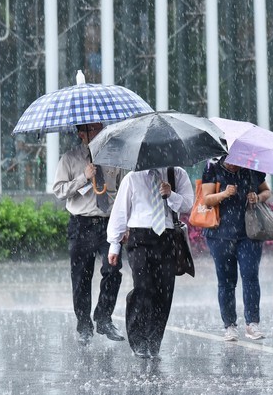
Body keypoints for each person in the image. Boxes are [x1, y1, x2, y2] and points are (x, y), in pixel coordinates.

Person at [107, 167, 193, 359]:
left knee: (164, 293)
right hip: (140, 238)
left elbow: (188, 204)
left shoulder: (177, 174)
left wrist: (171, 195)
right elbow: (120, 211)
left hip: (167, 237)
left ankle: (154, 342)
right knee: (143, 288)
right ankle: (138, 340)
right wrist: (114, 245)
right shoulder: (132, 178)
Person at [53, 123, 126, 345]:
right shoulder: (69, 158)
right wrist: (84, 177)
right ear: (80, 133)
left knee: (113, 270)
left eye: (98, 128)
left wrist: (126, 223)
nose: (95, 133)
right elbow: (59, 191)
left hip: (108, 224)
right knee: (81, 277)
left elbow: (124, 190)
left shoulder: (115, 156)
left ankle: (104, 318)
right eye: (90, 130)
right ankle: (84, 325)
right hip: (81, 224)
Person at [200, 156, 272, 342]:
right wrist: (223, 194)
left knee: (250, 276)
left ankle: (252, 324)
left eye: (237, 160)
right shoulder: (212, 167)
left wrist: (257, 197)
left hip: (249, 233)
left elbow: (266, 191)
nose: (233, 164)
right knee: (226, 281)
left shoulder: (252, 167)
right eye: (230, 160)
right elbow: (206, 200)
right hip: (219, 235)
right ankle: (230, 325)